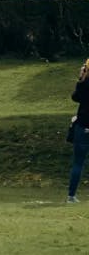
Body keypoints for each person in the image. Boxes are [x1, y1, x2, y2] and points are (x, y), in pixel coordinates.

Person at [68, 59, 89, 204]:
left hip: (83, 126)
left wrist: (81, 78)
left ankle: (71, 196)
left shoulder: (84, 85)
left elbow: (75, 97)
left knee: (78, 163)